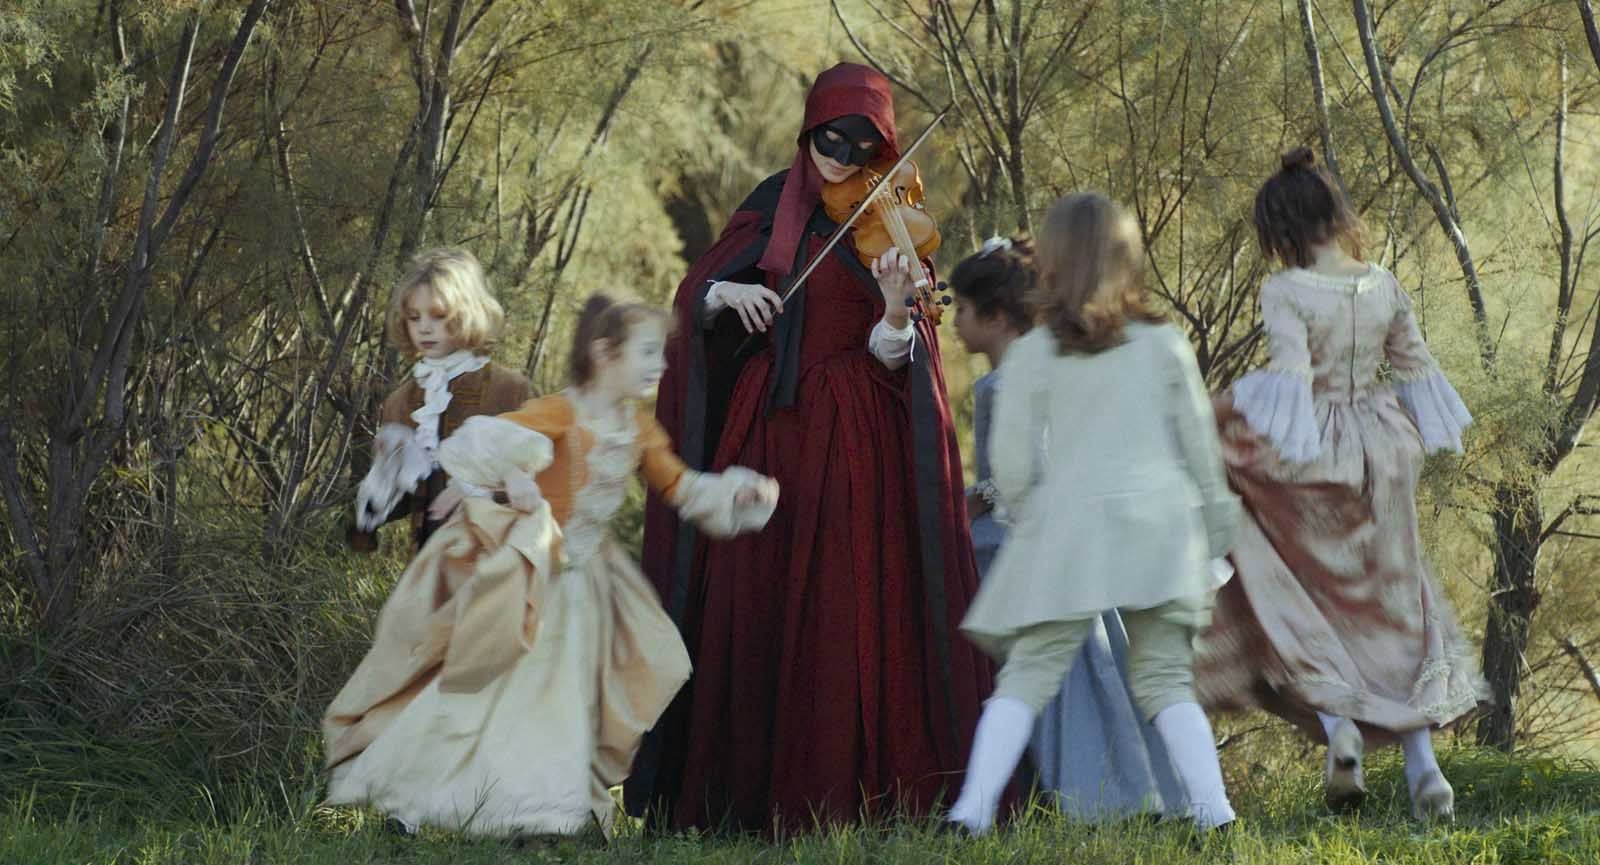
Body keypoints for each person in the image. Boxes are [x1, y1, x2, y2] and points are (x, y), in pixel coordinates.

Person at [626, 62, 991, 833]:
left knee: (842, 601)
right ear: (807, 131)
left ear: (882, 147)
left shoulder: (892, 224)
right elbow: (695, 298)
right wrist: (726, 293)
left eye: (861, 146)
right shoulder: (770, 204)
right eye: (830, 139)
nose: (841, 157)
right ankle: (742, 795)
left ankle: (843, 792)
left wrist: (895, 311)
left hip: (854, 443)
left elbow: (895, 358)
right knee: (754, 596)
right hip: (767, 430)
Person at [323, 295, 779, 839]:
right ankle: (422, 801)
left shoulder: (639, 429)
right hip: (535, 574)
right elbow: (483, 445)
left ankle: (548, 809)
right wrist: (516, 476)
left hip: (591, 582)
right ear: (605, 353)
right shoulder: (561, 412)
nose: (660, 365)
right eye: (648, 352)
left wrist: (735, 492)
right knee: (497, 690)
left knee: (574, 695)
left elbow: (680, 487)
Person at [1195, 148, 1486, 821]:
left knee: (1304, 596)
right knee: (1395, 605)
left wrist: (1221, 410)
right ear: (1334, 214)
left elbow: (1292, 378)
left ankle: (1340, 728)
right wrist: (1415, 443)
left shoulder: (1287, 291)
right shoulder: (1383, 283)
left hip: (1318, 452)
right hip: (1384, 450)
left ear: (1283, 230)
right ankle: (1424, 768)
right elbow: (1415, 368)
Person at [946, 193, 1240, 836]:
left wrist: (1033, 519)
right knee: (1164, 679)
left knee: (1027, 675)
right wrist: (1215, 528)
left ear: (1051, 263)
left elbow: (1012, 467)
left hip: (1072, 533)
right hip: (1161, 532)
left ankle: (971, 812)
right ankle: (1215, 815)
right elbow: (1198, 446)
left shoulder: (1035, 354)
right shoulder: (1163, 343)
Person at [350, 248, 531, 553]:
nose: (424, 327)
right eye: (414, 317)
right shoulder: (402, 401)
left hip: (496, 558)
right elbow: (412, 500)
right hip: (430, 560)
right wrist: (381, 489)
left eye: (438, 315)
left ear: (466, 312)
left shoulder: (510, 390)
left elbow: (538, 478)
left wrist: (475, 488)